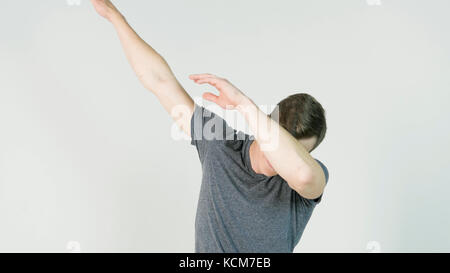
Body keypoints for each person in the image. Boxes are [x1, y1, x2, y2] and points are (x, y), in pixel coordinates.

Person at [90, 0, 329, 253]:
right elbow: (160, 81)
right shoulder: (222, 143)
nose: (278, 158)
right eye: (279, 139)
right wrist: (115, 16)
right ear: (266, 124)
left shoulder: (307, 182)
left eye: (295, 150)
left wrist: (242, 103)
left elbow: (303, 175)